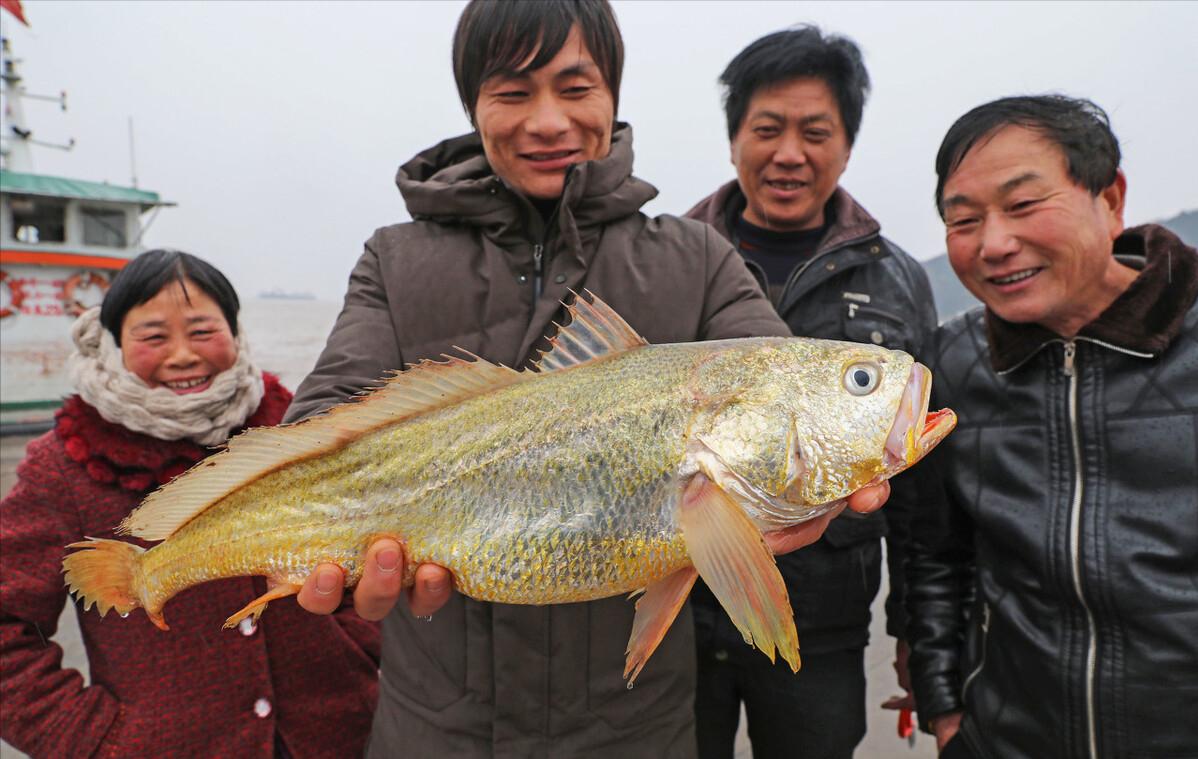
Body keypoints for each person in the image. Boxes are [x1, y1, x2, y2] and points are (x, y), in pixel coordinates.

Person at [287, 2, 890, 756]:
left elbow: (776, 390)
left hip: (634, 729)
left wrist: (810, 480)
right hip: (437, 727)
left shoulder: (698, 259)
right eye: (512, 92)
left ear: (613, 94)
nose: (548, 121)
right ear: (473, 104)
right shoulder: (395, 258)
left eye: (576, 88)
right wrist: (323, 544)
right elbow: (324, 421)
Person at [905, 95, 1198, 758]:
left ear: (1111, 196)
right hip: (1009, 736)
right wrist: (944, 705)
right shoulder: (950, 364)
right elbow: (934, 553)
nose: (994, 243)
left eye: (1024, 204)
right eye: (964, 219)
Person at [0, 250, 380, 758]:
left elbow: (375, 544)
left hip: (343, 736)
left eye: (203, 331)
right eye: (154, 337)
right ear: (114, 342)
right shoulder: (66, 465)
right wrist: (91, 739)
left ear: (236, 330)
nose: (183, 355)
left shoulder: (299, 431)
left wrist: (364, 647)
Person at [683, 26, 937, 759]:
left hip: (823, 624)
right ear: (735, 140)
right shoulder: (672, 256)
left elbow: (920, 491)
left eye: (815, 131)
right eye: (767, 129)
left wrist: (915, 637)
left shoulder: (896, 279)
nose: (789, 152)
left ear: (846, 146)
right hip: (683, 609)